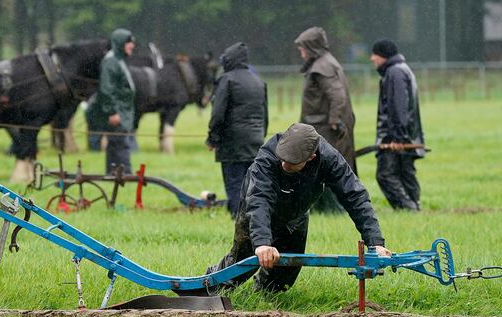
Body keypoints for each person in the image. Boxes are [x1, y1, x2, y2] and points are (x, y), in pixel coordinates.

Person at [179, 123, 391, 295]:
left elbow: (355, 196)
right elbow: (259, 199)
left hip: (296, 215)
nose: (284, 165)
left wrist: (376, 243)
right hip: (258, 209)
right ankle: (205, 290)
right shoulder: (268, 156)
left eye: (291, 163)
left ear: (311, 158)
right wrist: (262, 243)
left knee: (285, 274)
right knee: (241, 264)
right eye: (282, 159)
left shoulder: (329, 159)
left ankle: (260, 299)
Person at [294, 26, 358, 214]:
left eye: (303, 47)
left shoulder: (323, 66)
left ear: (312, 47)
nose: (300, 51)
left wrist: (333, 121)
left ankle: (331, 209)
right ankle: (326, 208)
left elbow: (337, 96)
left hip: (325, 128)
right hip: (322, 126)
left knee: (325, 167)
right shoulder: (326, 63)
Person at [206, 42, 268, 216]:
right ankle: (254, 217)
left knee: (234, 182)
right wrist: (259, 135)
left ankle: (238, 218)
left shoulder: (227, 80)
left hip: (232, 142)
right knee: (252, 184)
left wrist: (213, 138)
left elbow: (218, 113)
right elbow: (265, 115)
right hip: (255, 140)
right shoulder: (258, 80)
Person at [370, 39, 425, 211]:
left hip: (395, 138)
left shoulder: (394, 73)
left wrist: (397, 138)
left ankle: (408, 210)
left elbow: (398, 108)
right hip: (407, 135)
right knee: (405, 173)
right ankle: (415, 207)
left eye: (375, 54)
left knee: (385, 175)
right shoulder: (403, 69)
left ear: (383, 55)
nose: (372, 58)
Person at [87, 28, 136, 174]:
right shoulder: (111, 61)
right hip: (117, 111)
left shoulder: (119, 60)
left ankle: (113, 172)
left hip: (122, 110)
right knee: (120, 143)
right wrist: (112, 112)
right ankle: (125, 174)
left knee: (116, 143)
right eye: (128, 42)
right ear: (120, 43)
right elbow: (106, 90)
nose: (132, 46)